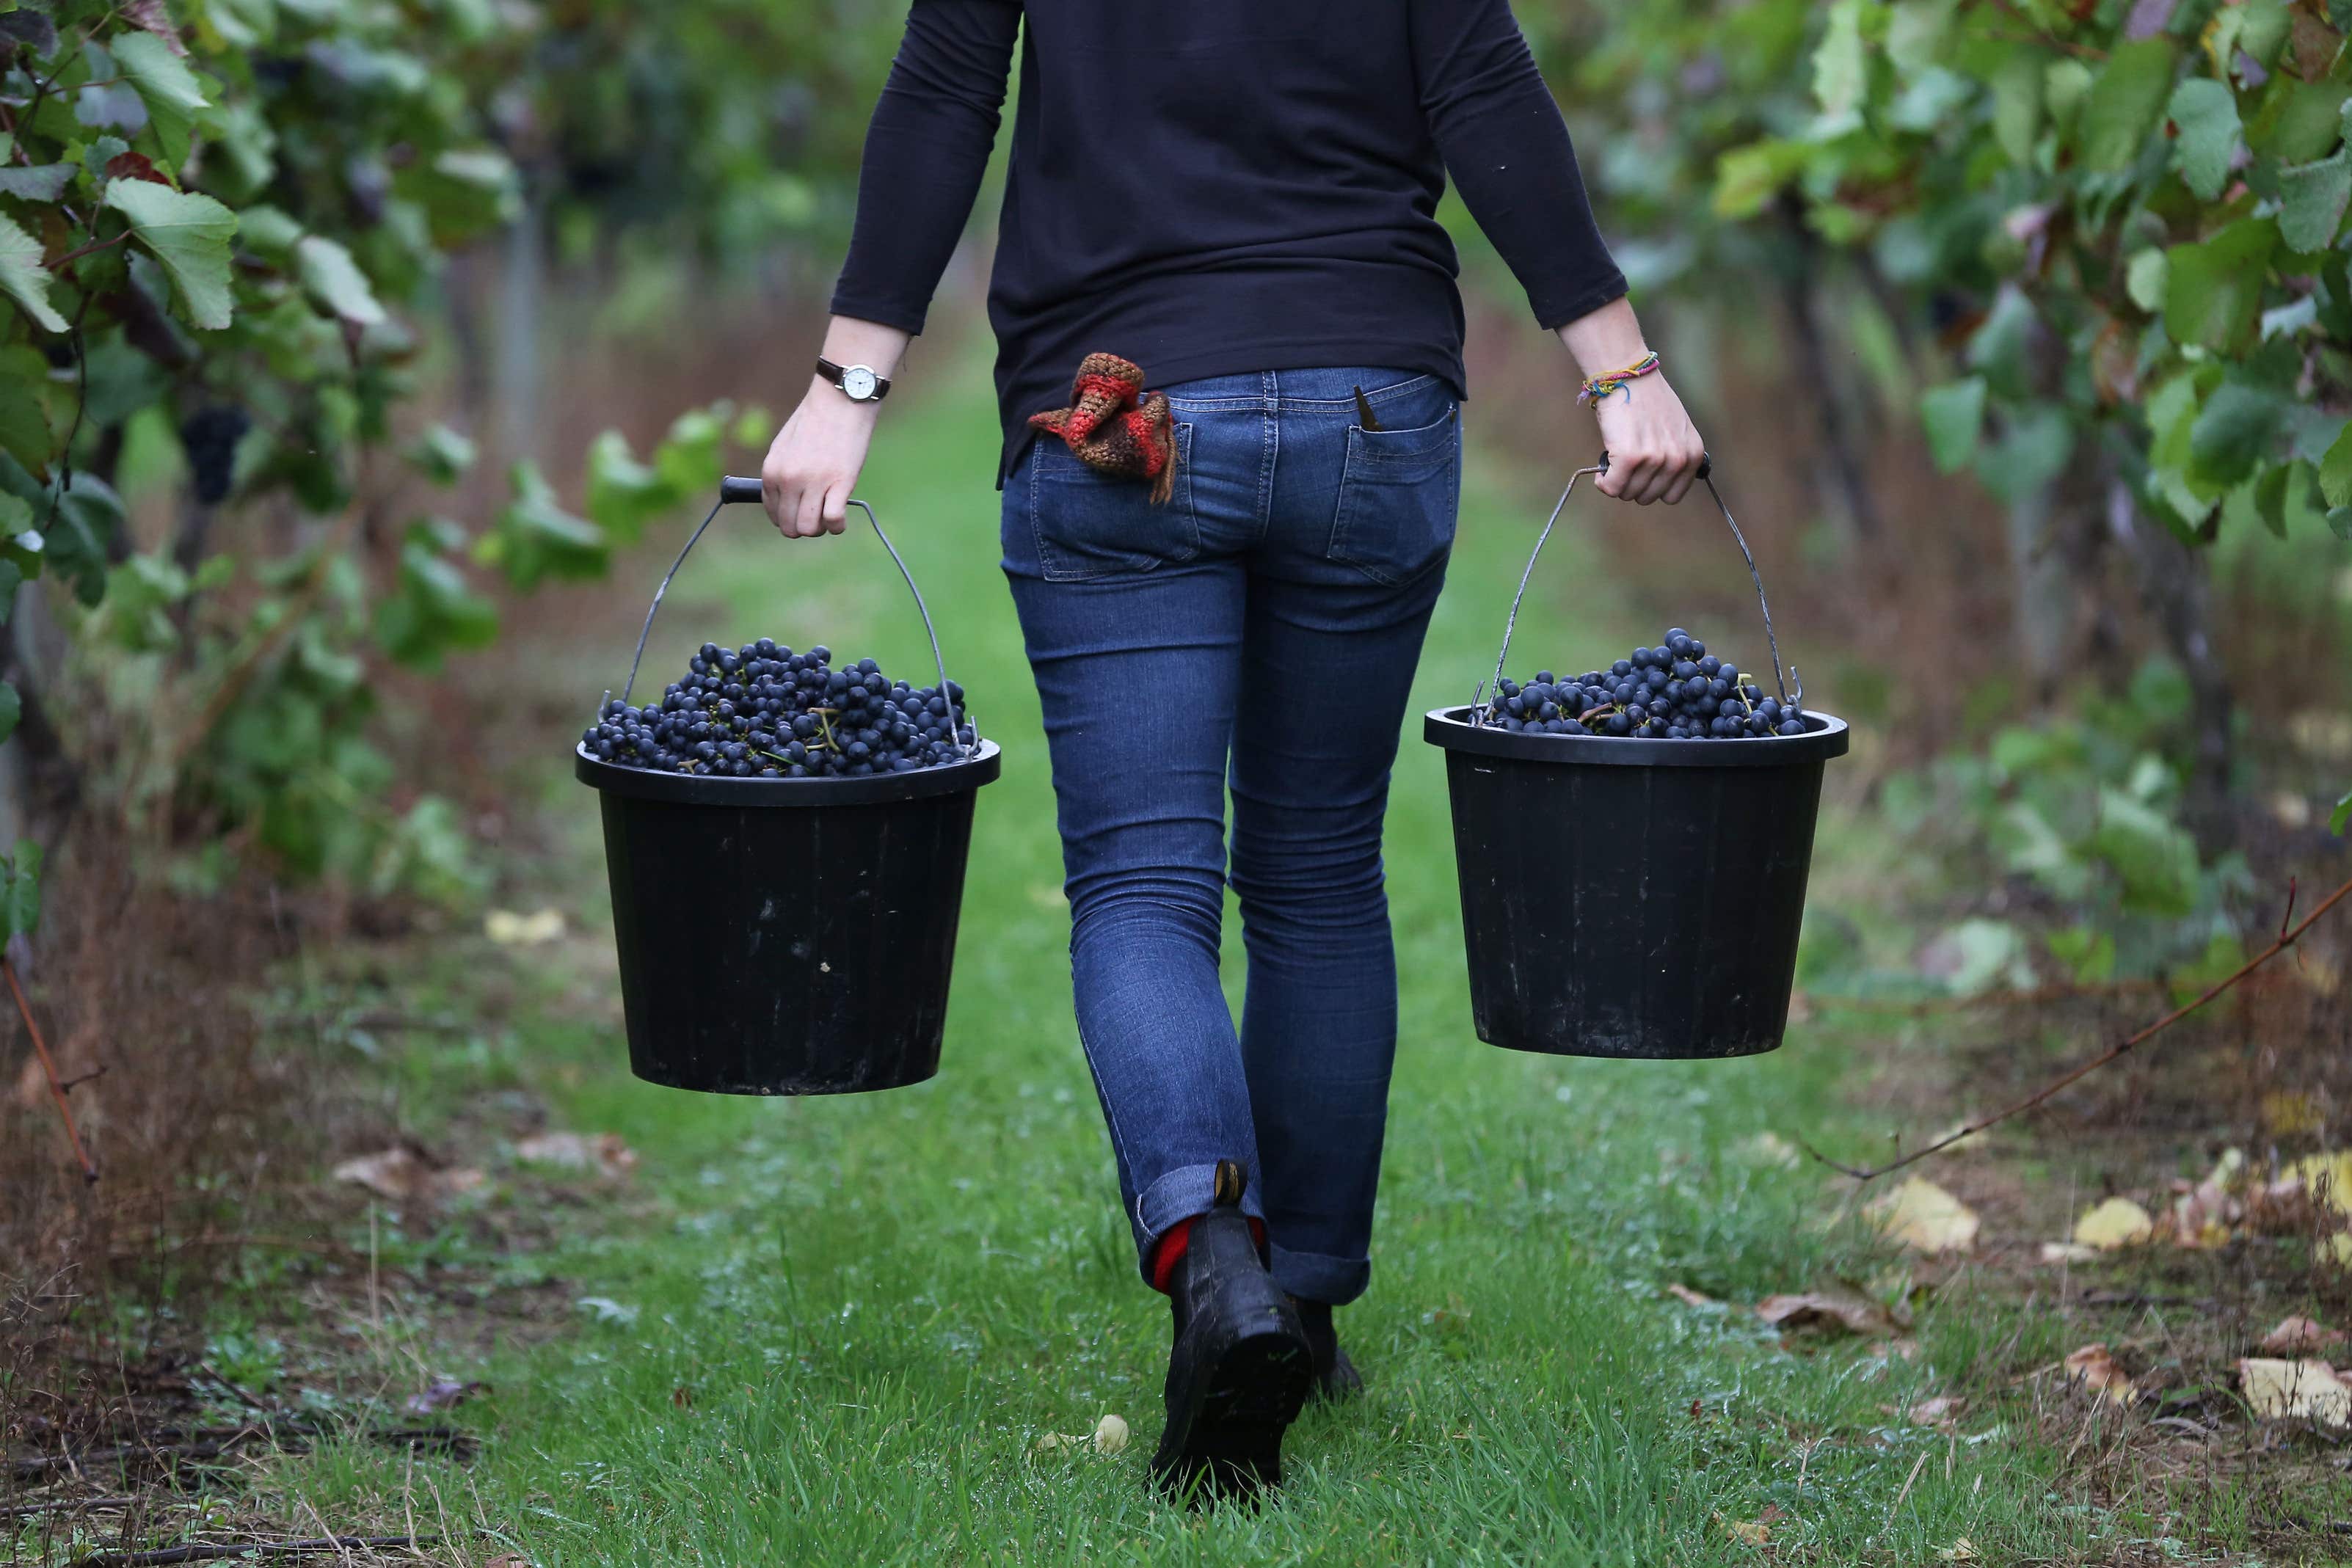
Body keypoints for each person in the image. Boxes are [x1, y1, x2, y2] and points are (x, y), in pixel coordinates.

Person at [759, 0, 1706, 1504]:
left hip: (1118, 404)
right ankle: (1304, 1306)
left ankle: (1219, 1270)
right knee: (1319, 871)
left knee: (1142, 888)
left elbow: (948, 84)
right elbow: (1480, 79)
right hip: (1367, 405)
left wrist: (845, 385)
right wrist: (1618, 368)